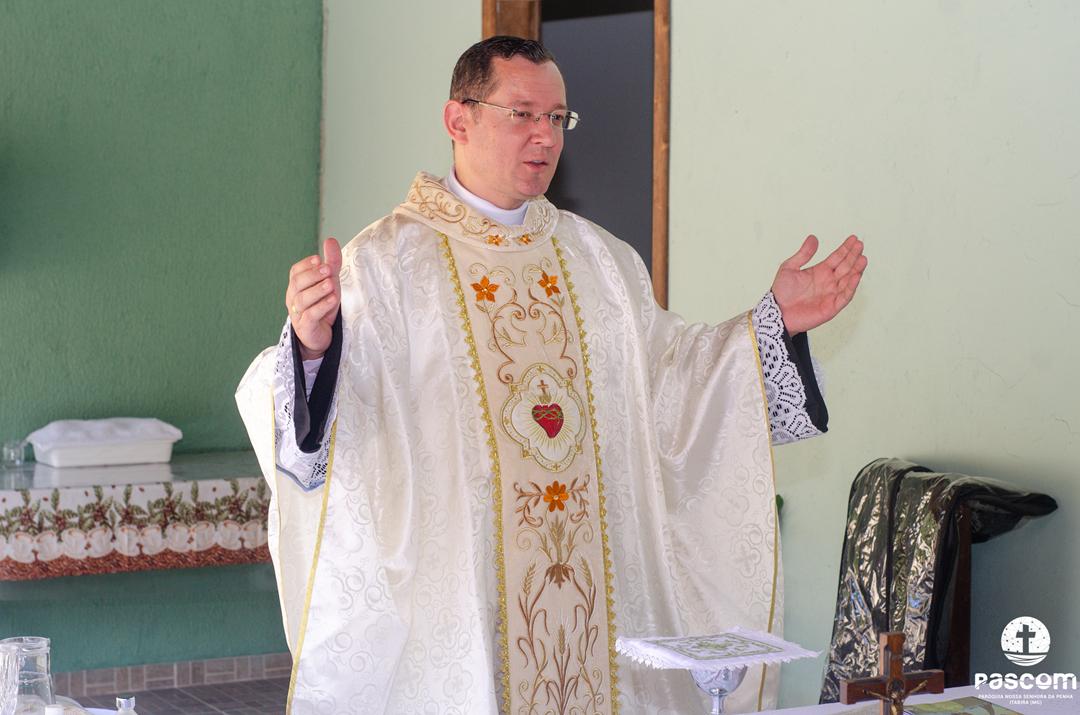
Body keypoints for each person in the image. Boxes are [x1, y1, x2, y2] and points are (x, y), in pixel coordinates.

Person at [237, 36, 866, 714]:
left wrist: (772, 325)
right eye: (522, 114)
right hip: (463, 610)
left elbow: (673, 385)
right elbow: (335, 438)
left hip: (597, 620)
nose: (545, 135)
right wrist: (311, 349)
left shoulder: (601, 262)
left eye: (558, 118)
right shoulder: (387, 265)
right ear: (458, 120)